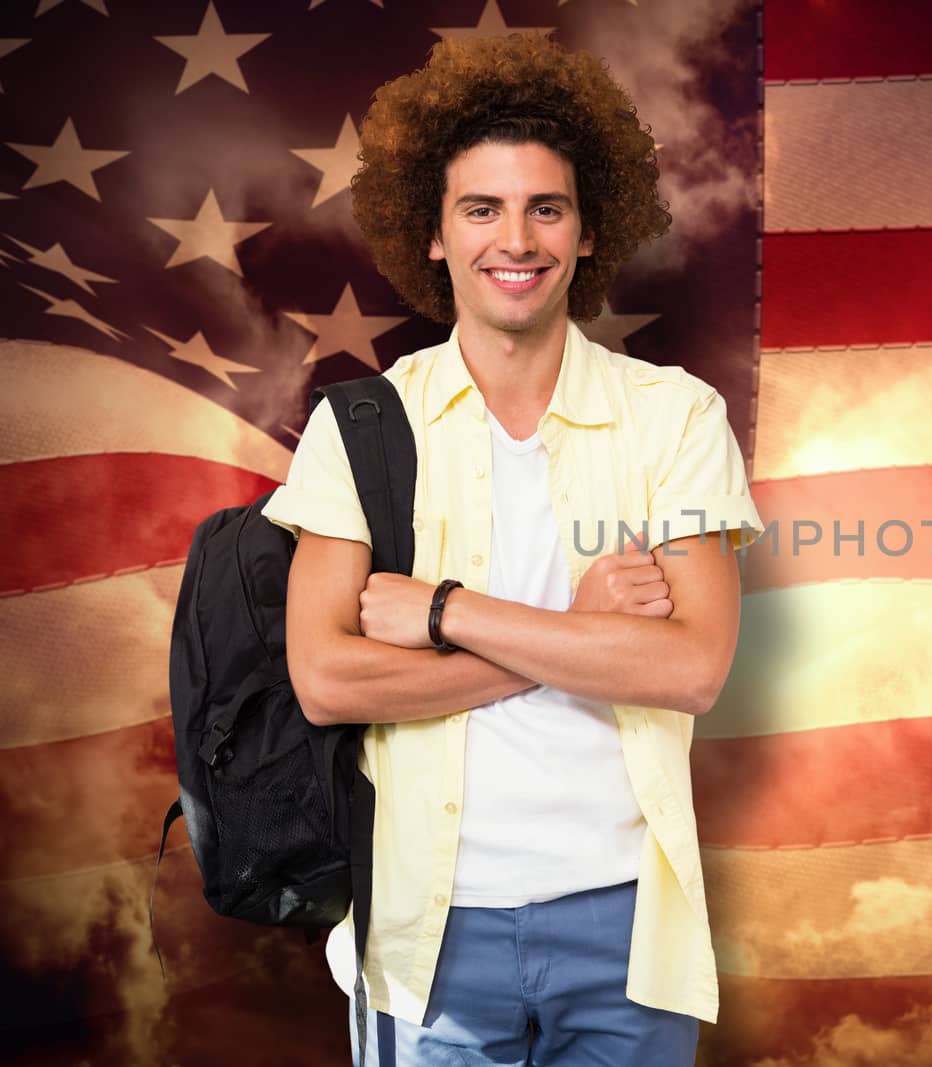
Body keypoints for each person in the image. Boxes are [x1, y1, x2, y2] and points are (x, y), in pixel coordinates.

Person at [260, 31, 762, 1066]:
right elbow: (323, 675)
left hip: (627, 926)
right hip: (423, 929)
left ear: (586, 231)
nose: (516, 238)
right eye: (480, 208)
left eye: (547, 207)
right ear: (434, 234)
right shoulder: (360, 425)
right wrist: (576, 637)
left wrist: (446, 613)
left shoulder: (674, 417)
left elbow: (692, 666)